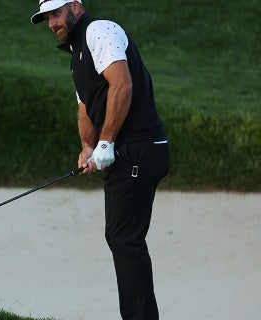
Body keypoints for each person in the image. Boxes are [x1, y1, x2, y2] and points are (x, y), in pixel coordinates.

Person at [30, 1, 170, 319]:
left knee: (124, 237)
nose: (51, 23)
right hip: (126, 153)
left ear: (76, 7)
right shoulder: (76, 54)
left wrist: (106, 143)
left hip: (141, 147)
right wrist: (88, 146)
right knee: (120, 237)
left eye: (55, 14)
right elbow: (86, 107)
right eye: (46, 18)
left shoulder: (100, 30)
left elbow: (122, 86)